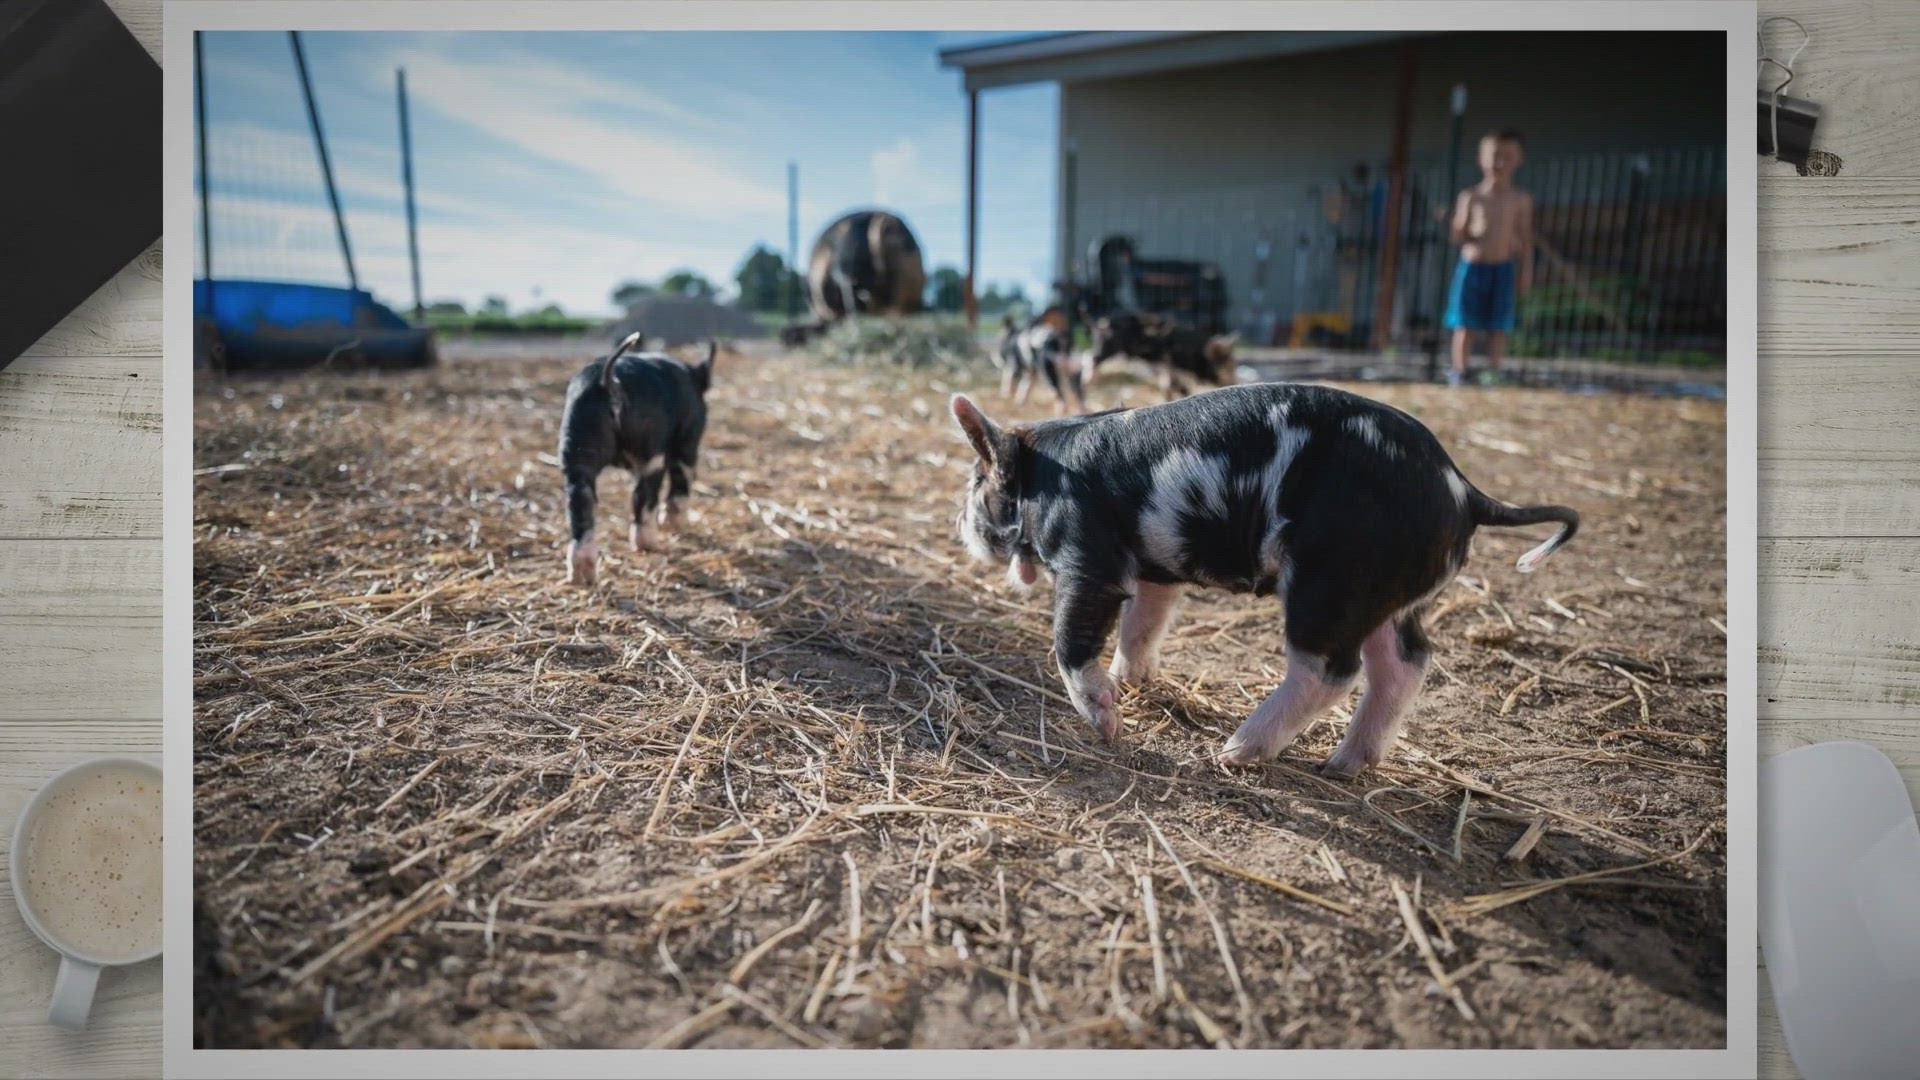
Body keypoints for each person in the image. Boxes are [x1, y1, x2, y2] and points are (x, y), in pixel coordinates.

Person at [1443, 130, 1533, 386]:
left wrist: (1526, 273)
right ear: (1481, 158)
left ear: (1519, 159)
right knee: (1464, 322)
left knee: (1499, 325)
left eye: (1507, 156)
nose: (1500, 163)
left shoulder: (1520, 199)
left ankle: (1494, 370)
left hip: (1502, 268)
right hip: (1472, 267)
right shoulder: (1471, 196)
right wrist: (1458, 228)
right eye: (1495, 156)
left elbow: (1525, 240)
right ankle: (1460, 371)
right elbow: (1458, 234)